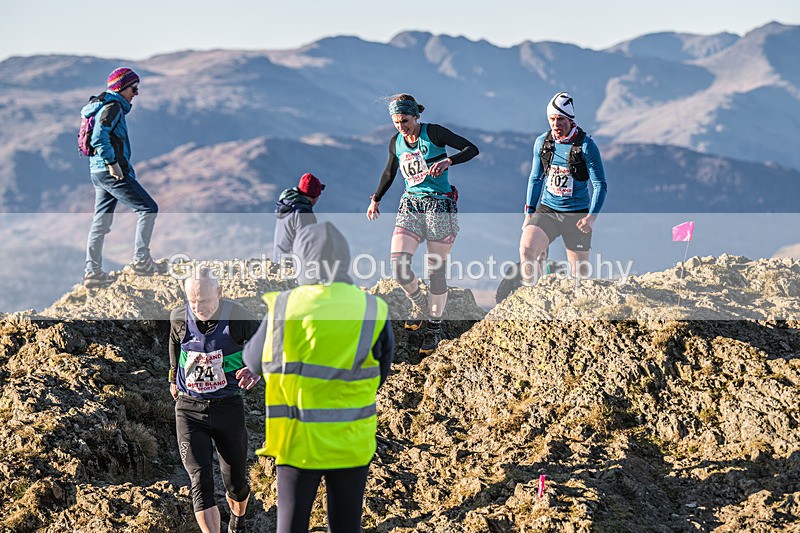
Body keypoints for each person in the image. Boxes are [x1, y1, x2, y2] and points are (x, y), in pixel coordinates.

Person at [243, 222, 394, 533]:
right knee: (346, 526)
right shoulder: (371, 308)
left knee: (291, 526)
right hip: (351, 441)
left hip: (297, 442)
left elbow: (253, 361)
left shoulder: (286, 306)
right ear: (345, 259)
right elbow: (380, 374)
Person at [366, 94, 478, 355]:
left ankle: (434, 327)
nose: (401, 126)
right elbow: (389, 171)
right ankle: (419, 303)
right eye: (396, 122)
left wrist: (448, 160)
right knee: (399, 265)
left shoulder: (434, 133)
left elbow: (471, 149)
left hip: (440, 205)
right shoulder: (396, 142)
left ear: (416, 116)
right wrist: (376, 199)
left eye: (405, 121)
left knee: (436, 271)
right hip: (411, 204)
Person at [169, 267, 262, 533]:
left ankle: (237, 523)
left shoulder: (237, 317)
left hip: (228, 408)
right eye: (193, 301)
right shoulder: (178, 317)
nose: (199, 308)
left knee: (235, 484)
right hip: (189, 409)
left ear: (219, 292)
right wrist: (173, 375)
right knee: (200, 482)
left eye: (205, 300)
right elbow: (174, 341)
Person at [83, 67, 164, 288]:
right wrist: (113, 164)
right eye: (133, 88)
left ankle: (92, 273)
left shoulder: (102, 105)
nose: (136, 93)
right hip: (111, 172)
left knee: (101, 222)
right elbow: (98, 138)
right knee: (148, 208)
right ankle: (141, 261)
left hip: (97, 172)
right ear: (121, 87)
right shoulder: (113, 107)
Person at [519, 92, 607, 285]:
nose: (555, 124)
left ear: (570, 120)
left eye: (560, 119)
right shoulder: (543, 143)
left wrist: (591, 217)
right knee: (526, 249)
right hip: (548, 209)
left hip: (577, 215)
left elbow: (600, 184)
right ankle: (530, 293)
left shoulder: (586, 146)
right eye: (552, 119)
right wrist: (529, 212)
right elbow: (536, 178)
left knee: (580, 279)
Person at [273, 172, 325, 262]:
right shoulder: (303, 212)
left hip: (279, 262)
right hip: (294, 266)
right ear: (315, 196)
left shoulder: (287, 206)